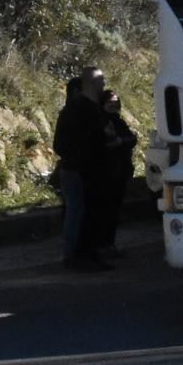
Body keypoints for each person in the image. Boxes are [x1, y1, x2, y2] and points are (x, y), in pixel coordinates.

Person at [52, 66, 111, 271]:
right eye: (101, 81)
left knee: (87, 213)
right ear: (93, 84)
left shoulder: (91, 109)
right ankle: (76, 256)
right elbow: (62, 144)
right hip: (79, 171)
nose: (104, 85)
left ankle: (87, 254)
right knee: (78, 213)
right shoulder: (79, 111)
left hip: (87, 170)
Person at [97, 90, 139, 256]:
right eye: (110, 104)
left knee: (113, 210)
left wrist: (121, 141)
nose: (113, 107)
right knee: (106, 211)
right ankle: (104, 245)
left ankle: (109, 244)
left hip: (120, 171)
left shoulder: (117, 121)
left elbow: (131, 139)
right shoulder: (102, 122)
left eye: (116, 105)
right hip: (107, 172)